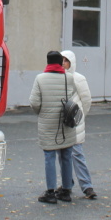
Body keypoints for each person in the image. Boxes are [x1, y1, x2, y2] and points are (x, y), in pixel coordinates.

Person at [30, 51, 77, 204]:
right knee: (66, 156)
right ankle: (66, 190)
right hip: (66, 123)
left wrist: (42, 113)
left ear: (48, 62)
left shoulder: (40, 79)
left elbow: (34, 103)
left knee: (49, 156)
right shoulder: (68, 78)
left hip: (47, 123)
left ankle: (50, 192)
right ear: (60, 62)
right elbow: (72, 98)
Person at [60, 50, 97, 200]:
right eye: (61, 60)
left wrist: (80, 115)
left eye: (66, 60)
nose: (63, 63)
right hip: (62, 121)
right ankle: (66, 183)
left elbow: (86, 99)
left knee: (76, 153)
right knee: (63, 154)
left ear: (71, 62)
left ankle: (87, 186)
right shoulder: (58, 77)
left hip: (75, 121)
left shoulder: (79, 78)